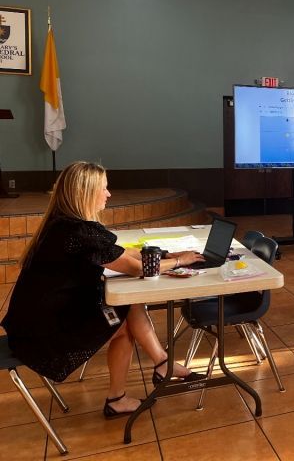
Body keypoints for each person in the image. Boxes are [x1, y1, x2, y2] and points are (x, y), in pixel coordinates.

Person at [1, 162, 207, 418]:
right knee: (123, 327)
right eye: (104, 188)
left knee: (129, 304)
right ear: (86, 193)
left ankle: (162, 364)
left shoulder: (65, 224)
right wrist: (179, 261)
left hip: (35, 323)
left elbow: (122, 252)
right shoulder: (77, 232)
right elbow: (135, 268)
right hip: (43, 336)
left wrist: (166, 253)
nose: (109, 194)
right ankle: (120, 396)